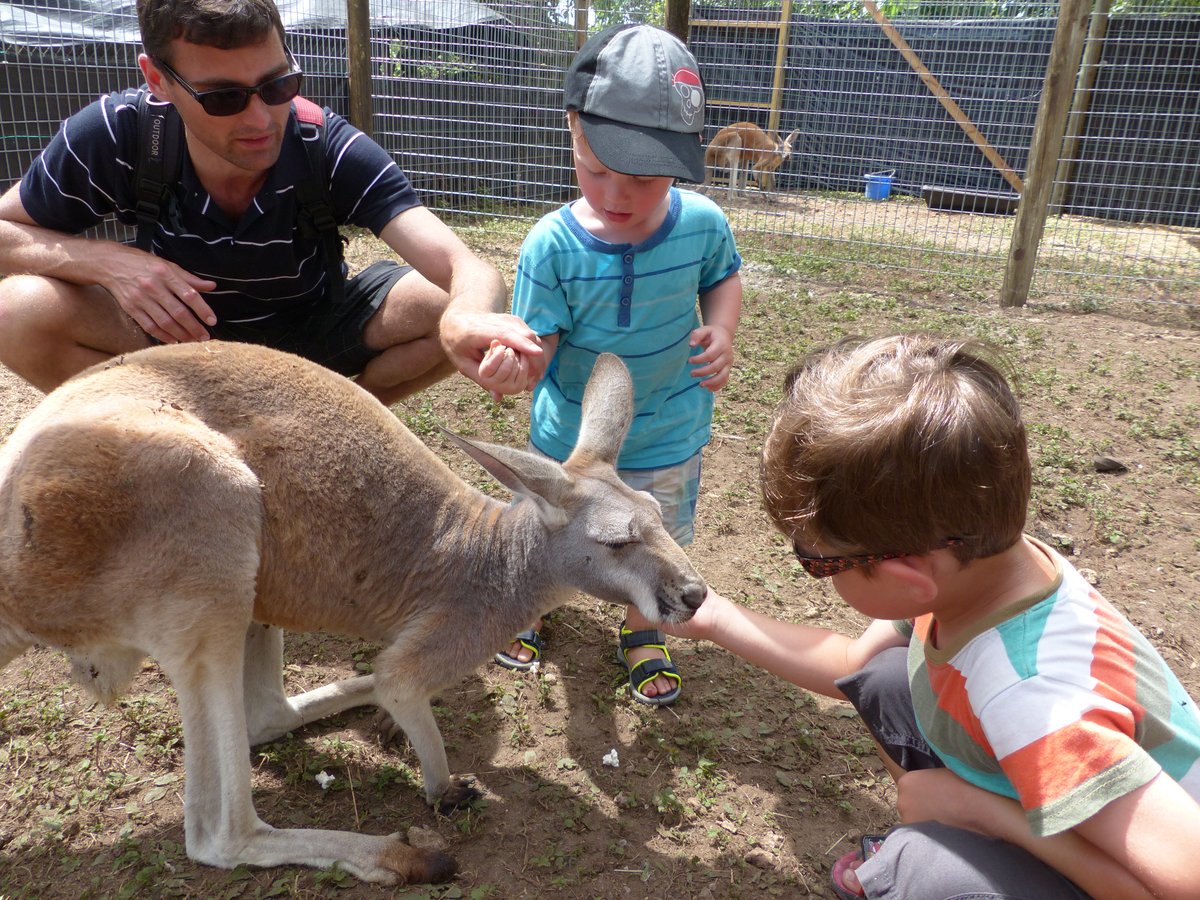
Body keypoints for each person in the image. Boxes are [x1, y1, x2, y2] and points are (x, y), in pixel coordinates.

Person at [664, 333, 1200, 898]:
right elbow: (850, 662)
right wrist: (715, 618)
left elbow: (1185, 883)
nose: (810, 566)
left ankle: (950, 857)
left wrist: (985, 814)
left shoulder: (1033, 699)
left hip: (1147, 871)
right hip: (1069, 808)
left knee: (924, 871)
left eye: (815, 561)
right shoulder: (981, 570)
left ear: (907, 577)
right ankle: (960, 838)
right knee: (885, 679)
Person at [0, 0, 541, 403]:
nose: (261, 120)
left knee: (443, 301)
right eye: (224, 97)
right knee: (15, 310)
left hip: (308, 340)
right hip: (175, 343)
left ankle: (342, 426)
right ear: (158, 80)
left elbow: (463, 265)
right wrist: (106, 261)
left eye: (278, 84)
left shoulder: (323, 143)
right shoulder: (117, 135)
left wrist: (464, 319)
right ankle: (165, 436)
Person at [488, 24, 743, 706]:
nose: (616, 194)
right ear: (572, 130)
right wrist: (516, 366)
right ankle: (530, 606)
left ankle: (643, 627)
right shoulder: (551, 245)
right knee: (545, 535)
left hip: (667, 428)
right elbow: (536, 342)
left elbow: (723, 278)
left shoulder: (702, 224)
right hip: (571, 444)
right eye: (597, 168)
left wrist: (720, 328)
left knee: (659, 538)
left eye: (644, 177)